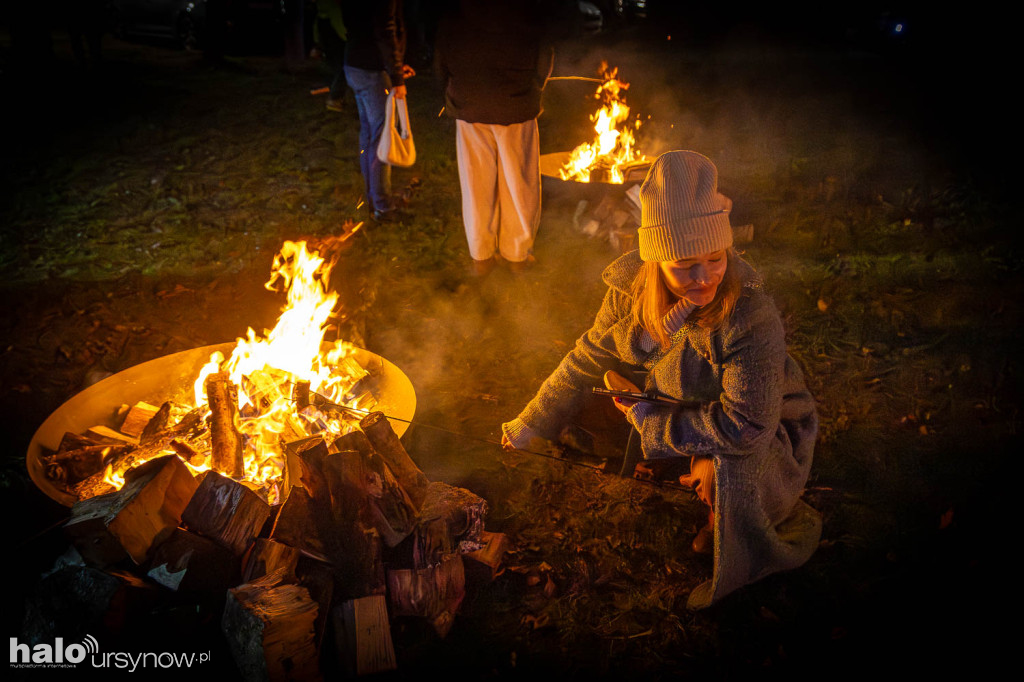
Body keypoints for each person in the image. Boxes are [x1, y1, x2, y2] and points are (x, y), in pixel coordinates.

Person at [501, 150, 822, 610]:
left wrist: (650, 418)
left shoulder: (751, 318)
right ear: (655, 260)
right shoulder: (630, 290)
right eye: (684, 264)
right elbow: (587, 355)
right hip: (681, 403)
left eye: (715, 258)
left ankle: (719, 516)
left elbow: (748, 426)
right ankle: (676, 458)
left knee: (725, 471)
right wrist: (531, 420)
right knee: (591, 395)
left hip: (763, 430)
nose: (703, 278)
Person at [434, 0, 553, 275]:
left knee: (477, 184)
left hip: (470, 103)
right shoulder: (525, 9)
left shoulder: (455, 11)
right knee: (518, 184)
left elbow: (441, 56)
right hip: (516, 103)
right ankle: (517, 255)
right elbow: (544, 49)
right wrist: (535, 87)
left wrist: (452, 94)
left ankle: (481, 257)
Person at [340, 0, 416, 223]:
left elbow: (362, 24)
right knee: (382, 137)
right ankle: (382, 205)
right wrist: (396, 76)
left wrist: (394, 66)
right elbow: (385, 28)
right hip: (371, 69)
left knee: (370, 134)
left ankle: (373, 197)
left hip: (354, 64)